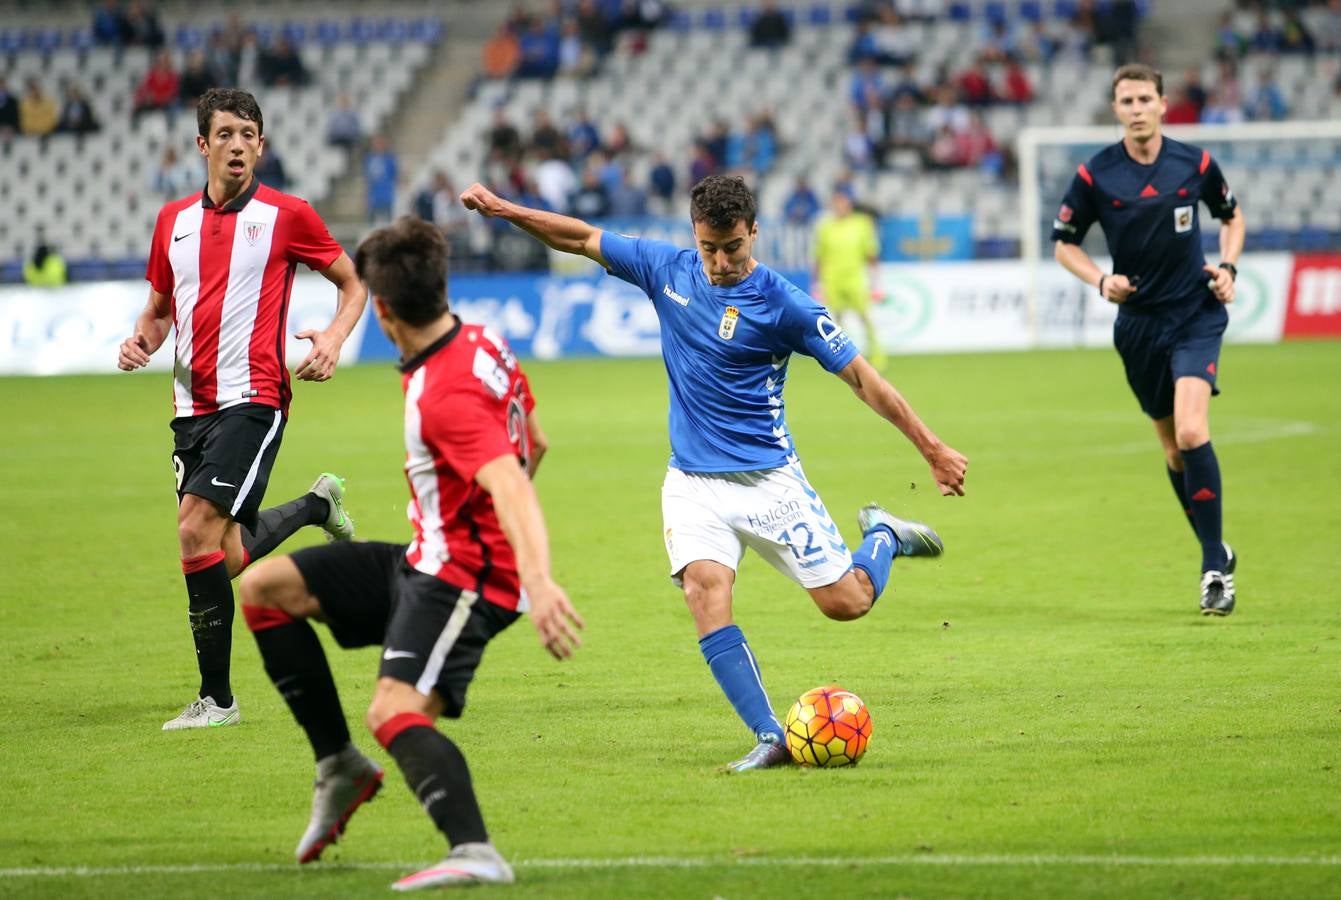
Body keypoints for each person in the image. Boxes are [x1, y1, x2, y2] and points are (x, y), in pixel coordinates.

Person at [460, 174, 967, 771]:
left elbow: (862, 378)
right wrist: (501, 208)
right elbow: (579, 238)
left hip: (769, 481)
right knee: (705, 590)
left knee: (846, 603)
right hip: (692, 482)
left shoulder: (786, 305)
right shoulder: (665, 269)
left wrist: (930, 447)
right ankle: (770, 736)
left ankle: (880, 534)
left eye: (734, 248)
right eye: (710, 248)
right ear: (693, 236)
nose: (721, 262)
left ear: (755, 232)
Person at [238, 217, 582, 889]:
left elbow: (511, 479)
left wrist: (533, 578)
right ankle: (339, 765)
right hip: (428, 554)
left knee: (393, 712)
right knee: (264, 588)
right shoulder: (483, 340)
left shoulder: (441, 394)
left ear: (385, 310)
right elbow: (533, 442)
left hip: (467, 575)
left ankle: (474, 851)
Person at [116, 88, 368, 729]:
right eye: (225, 133)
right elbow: (160, 308)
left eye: (248, 133)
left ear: (261, 145)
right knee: (220, 556)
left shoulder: (288, 215)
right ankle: (317, 504)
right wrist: (141, 340)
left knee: (193, 530)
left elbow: (352, 282)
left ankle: (218, 700)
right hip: (189, 407)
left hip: (255, 398)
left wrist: (333, 339)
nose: (237, 144)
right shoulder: (173, 221)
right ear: (203, 145)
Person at [1052, 64, 1245, 616]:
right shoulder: (1096, 175)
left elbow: (1232, 218)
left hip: (1194, 313)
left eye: (1144, 98)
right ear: (1116, 110)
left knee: (1190, 430)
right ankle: (1217, 549)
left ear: (1163, 103)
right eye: (1126, 101)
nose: (1136, 109)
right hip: (1137, 326)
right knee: (1172, 450)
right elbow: (1063, 243)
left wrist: (1229, 266)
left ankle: (1213, 567)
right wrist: (1100, 279)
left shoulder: (1196, 163)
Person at [813, 187, 885, 370]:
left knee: (864, 316)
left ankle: (877, 354)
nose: (839, 206)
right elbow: (819, 257)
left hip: (854, 279)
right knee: (836, 321)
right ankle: (843, 357)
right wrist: (816, 283)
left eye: (842, 201)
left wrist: (877, 282)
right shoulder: (825, 227)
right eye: (836, 202)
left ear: (849, 204)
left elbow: (871, 254)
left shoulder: (862, 224)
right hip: (832, 280)